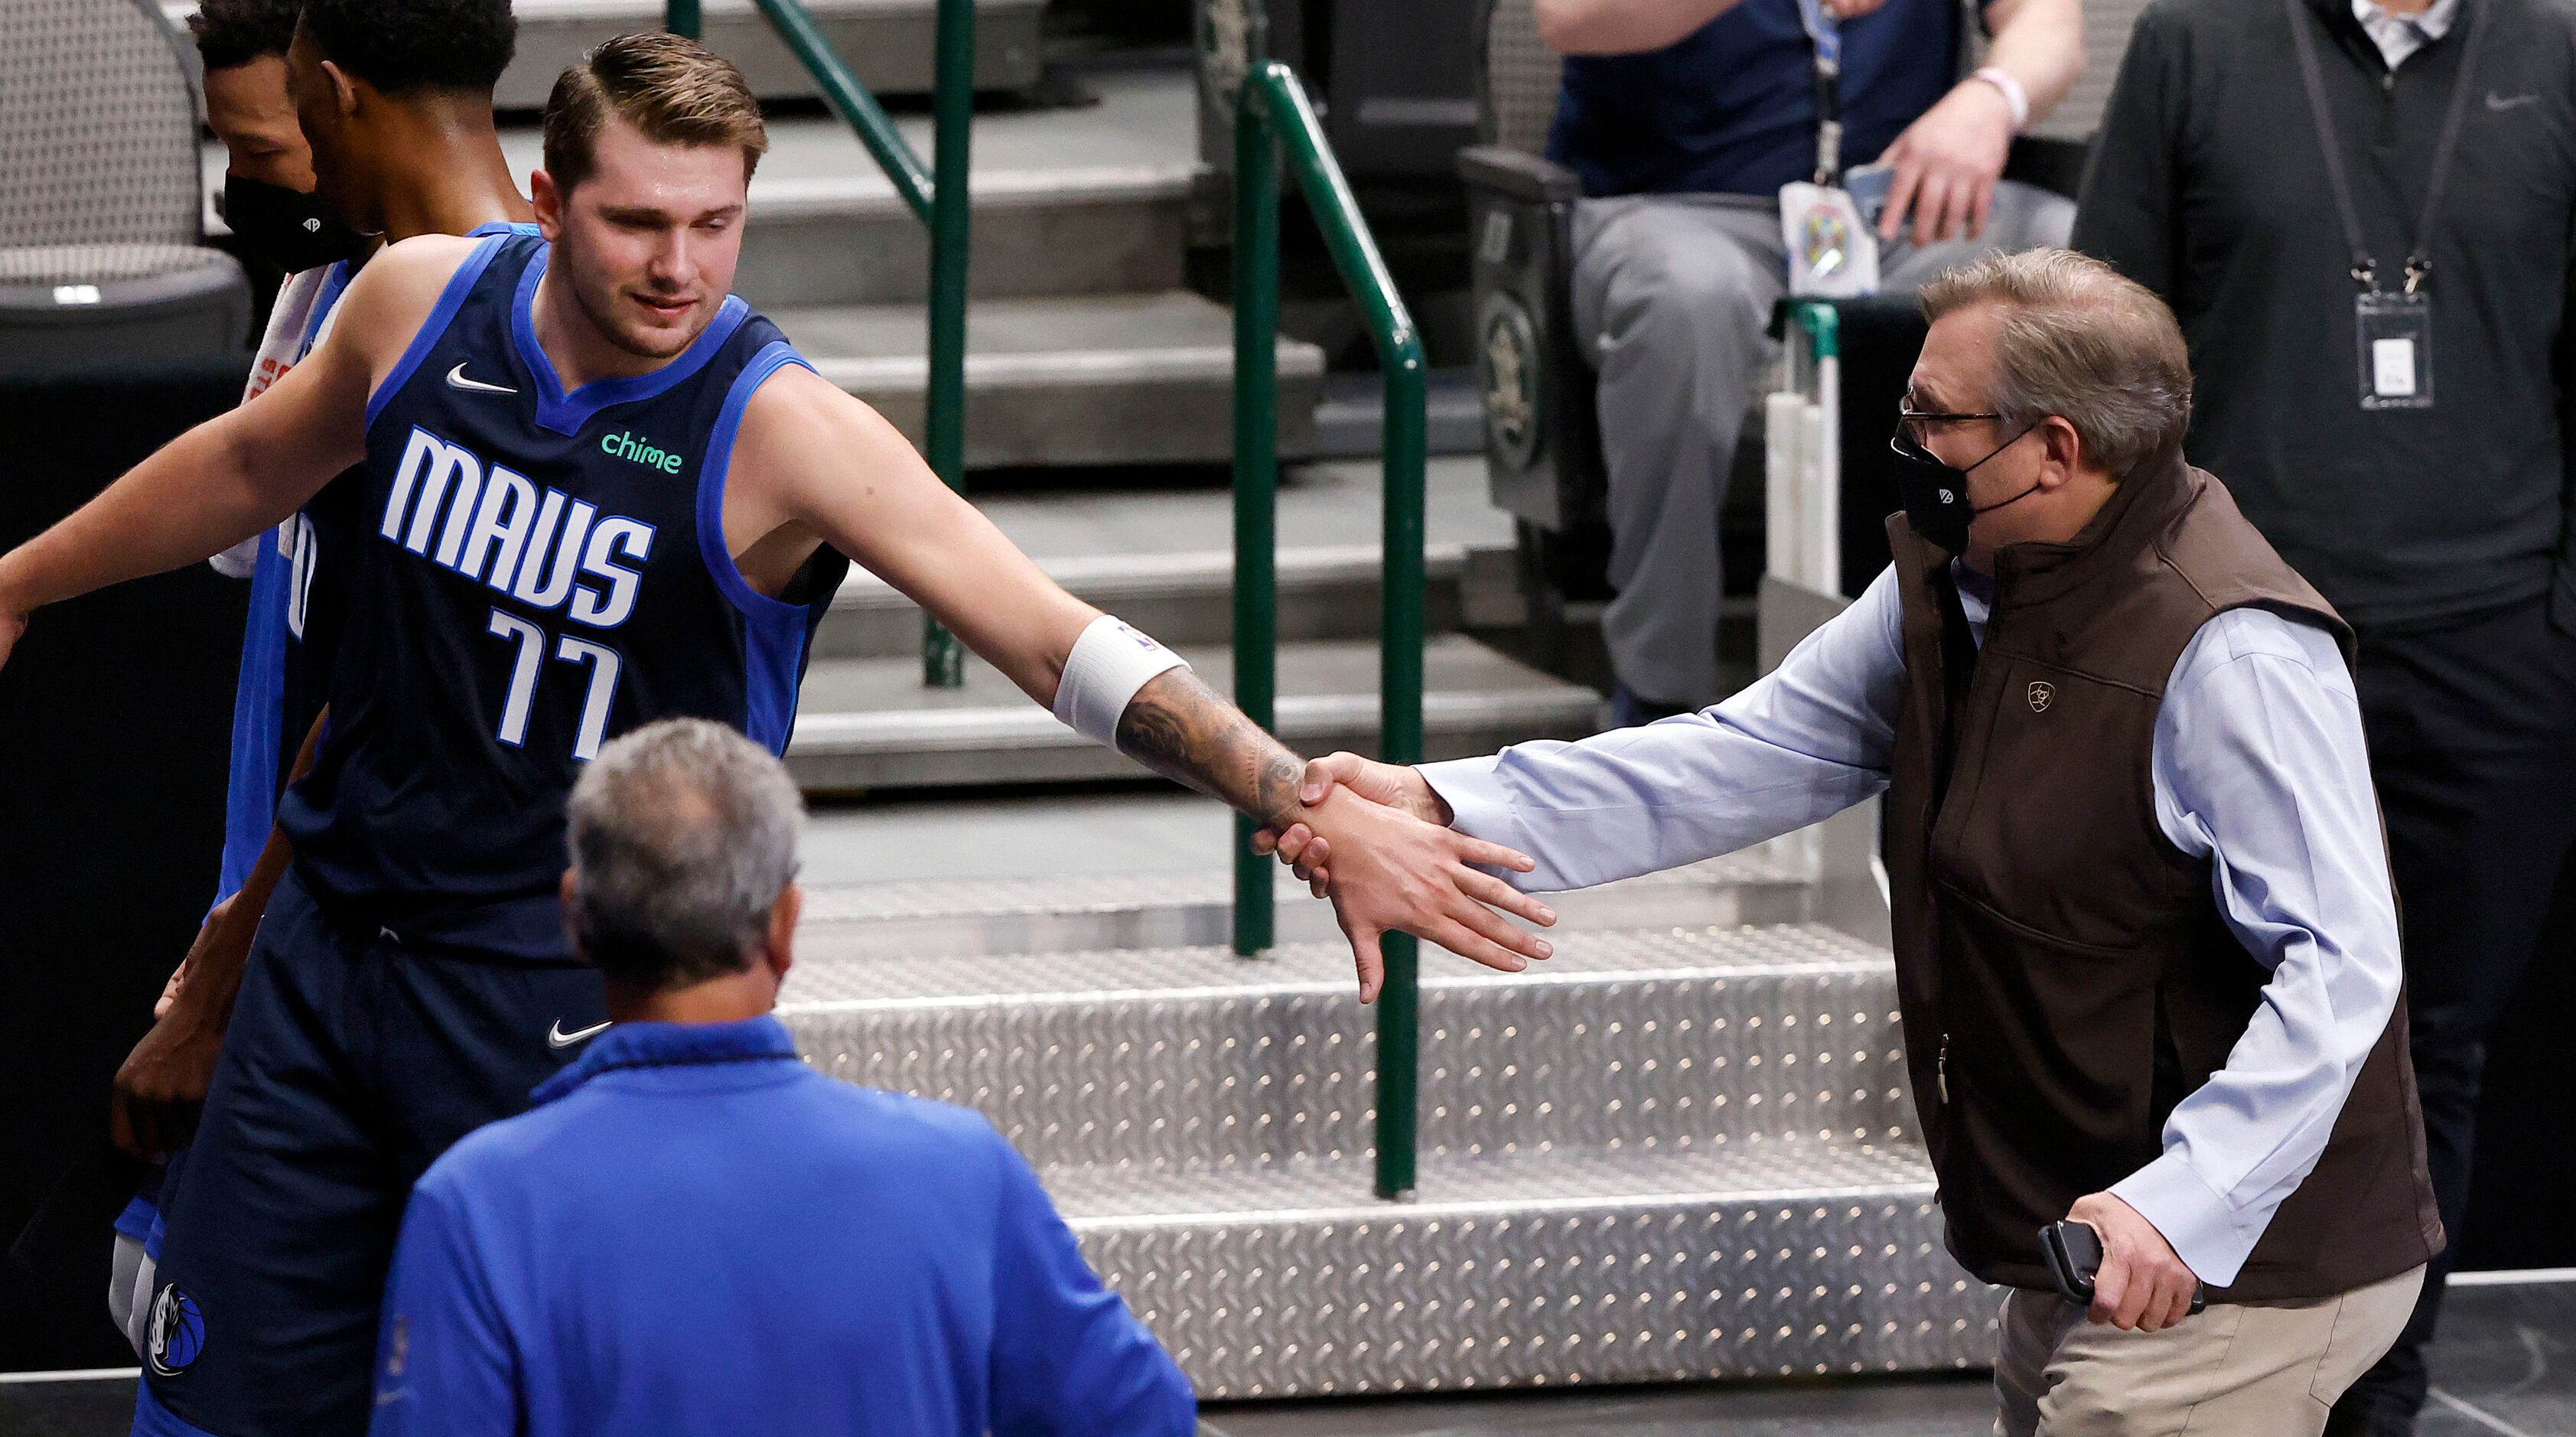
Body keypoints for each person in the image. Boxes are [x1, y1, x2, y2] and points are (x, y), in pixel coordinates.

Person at [0, 34, 1547, 1437]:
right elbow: (251, 461)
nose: (679, 265)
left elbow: (1049, 636)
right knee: (211, 1409)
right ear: (548, 200)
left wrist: (1288, 794)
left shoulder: (780, 426)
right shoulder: (417, 302)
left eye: (714, 224)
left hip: (553, 991)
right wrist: (21, 582)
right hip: (329, 962)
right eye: (637, 223)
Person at [1262, 249, 2443, 1437]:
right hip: (2088, 1220)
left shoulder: (2228, 652)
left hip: (2250, 1248)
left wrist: (2185, 1202)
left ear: (2053, 449)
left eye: (1934, 418)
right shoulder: (1956, 585)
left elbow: (2341, 967)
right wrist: (1437, 802)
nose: (1907, 439)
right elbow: (1737, 755)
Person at [2070, 3, 2576, 1429]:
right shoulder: (2192, 43)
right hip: (2241, 639)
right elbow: (2101, 348)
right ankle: (2216, 1374)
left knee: (2439, 1042)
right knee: (2227, 1024)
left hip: (2492, 642)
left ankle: (2379, 1394)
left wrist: (2560, 625)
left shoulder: (2554, 53)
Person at [366, 718, 1194, 1437]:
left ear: (576, 917)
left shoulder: (478, 1206)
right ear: (785, 923)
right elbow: (1138, 1417)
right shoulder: (961, 1171)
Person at [106, 0, 540, 1354]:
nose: (253, 177)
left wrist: (229, 967)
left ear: (338, 98)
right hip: (272, 921)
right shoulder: (325, 296)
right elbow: (243, 514)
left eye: (273, 138)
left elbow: (390, 700)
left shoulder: (495, 348)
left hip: (376, 960)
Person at [1537, 0, 2086, 721]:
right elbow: (1570, 17)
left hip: (1891, 210)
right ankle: (1657, 688)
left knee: (2082, 256)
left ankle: (2059, 650)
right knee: (1685, 299)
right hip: (1675, 205)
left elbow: (2052, 24)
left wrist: (1992, 99)